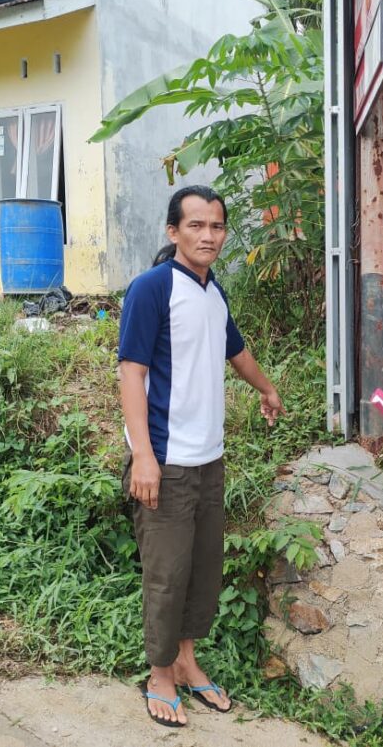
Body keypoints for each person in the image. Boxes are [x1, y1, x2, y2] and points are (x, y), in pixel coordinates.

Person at [118, 185, 285, 727]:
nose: (208, 235)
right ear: (174, 231)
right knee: (166, 574)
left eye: (216, 226)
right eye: (196, 225)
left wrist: (266, 388)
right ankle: (160, 674)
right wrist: (143, 456)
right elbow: (131, 373)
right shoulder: (152, 288)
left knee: (201, 570)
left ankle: (187, 660)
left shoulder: (214, 293)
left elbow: (235, 350)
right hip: (165, 460)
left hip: (209, 459)